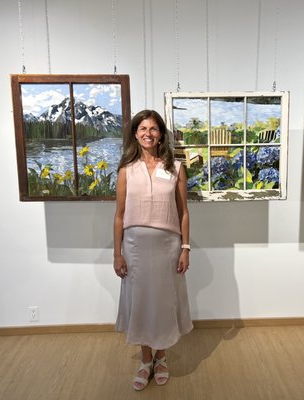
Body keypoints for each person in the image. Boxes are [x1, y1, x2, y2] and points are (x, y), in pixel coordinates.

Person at [113, 109, 193, 391]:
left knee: (162, 302)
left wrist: (185, 248)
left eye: (154, 128)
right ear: (135, 133)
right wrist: (117, 253)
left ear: (161, 134)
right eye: (143, 128)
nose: (148, 133)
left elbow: (183, 212)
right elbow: (120, 215)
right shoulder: (126, 169)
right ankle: (145, 360)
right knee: (141, 302)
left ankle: (162, 357)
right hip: (134, 247)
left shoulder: (176, 168)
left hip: (168, 247)